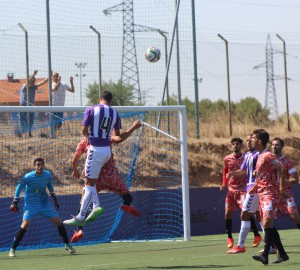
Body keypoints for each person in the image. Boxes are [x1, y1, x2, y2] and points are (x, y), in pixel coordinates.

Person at [69, 120, 142, 243]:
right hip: (109, 174)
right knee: (125, 193)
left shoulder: (83, 141)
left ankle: (80, 230)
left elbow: (75, 159)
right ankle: (127, 204)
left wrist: (75, 170)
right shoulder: (106, 137)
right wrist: (133, 127)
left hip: (93, 177)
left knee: (84, 201)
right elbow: (120, 138)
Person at [63, 91, 121, 227]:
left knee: (88, 183)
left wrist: (91, 138)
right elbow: (117, 135)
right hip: (108, 151)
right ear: (110, 100)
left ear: (99, 98)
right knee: (90, 180)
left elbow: (84, 130)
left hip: (95, 149)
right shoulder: (115, 113)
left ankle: (81, 216)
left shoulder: (90, 109)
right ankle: (95, 205)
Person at [8, 157, 75, 257]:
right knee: (25, 224)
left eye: (41, 165)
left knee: (58, 222)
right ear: (34, 166)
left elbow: (50, 186)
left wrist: (55, 200)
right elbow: (19, 187)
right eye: (37, 165)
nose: (39, 167)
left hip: (44, 204)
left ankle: (67, 244)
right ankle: (12, 249)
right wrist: (15, 201)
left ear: (44, 165)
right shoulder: (28, 177)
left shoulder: (47, 175)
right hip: (31, 205)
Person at [250, 129, 289, 265]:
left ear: (259, 141)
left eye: (253, 138)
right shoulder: (260, 156)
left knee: (266, 222)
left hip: (270, 194)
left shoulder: (267, 156)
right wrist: (255, 187)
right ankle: (282, 254)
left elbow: (281, 168)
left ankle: (265, 255)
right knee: (269, 225)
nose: (251, 140)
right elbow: (263, 175)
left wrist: (281, 188)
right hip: (262, 193)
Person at [227, 134, 263, 254]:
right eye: (247, 141)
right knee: (259, 216)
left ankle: (240, 245)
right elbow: (242, 171)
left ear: (256, 141)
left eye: (250, 140)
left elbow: (263, 172)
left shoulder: (259, 155)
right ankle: (271, 244)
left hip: (255, 189)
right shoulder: (248, 155)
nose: (248, 142)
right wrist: (232, 173)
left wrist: (257, 184)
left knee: (245, 214)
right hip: (250, 189)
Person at [220, 137, 246, 249]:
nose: (235, 146)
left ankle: (256, 234)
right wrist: (223, 183)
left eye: (237, 144)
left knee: (246, 212)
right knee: (227, 213)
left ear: (241, 145)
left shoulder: (246, 157)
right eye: (233, 144)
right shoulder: (227, 158)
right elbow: (225, 171)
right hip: (230, 190)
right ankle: (229, 237)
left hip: (243, 189)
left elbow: (246, 171)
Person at [18, 70, 48, 138]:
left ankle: (29, 133)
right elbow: (27, 82)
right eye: (32, 81)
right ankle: (21, 133)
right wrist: (33, 74)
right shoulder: (24, 86)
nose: (33, 82)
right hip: (24, 106)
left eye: (34, 81)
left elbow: (43, 82)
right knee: (23, 120)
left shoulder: (34, 86)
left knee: (31, 120)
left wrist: (49, 76)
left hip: (31, 106)